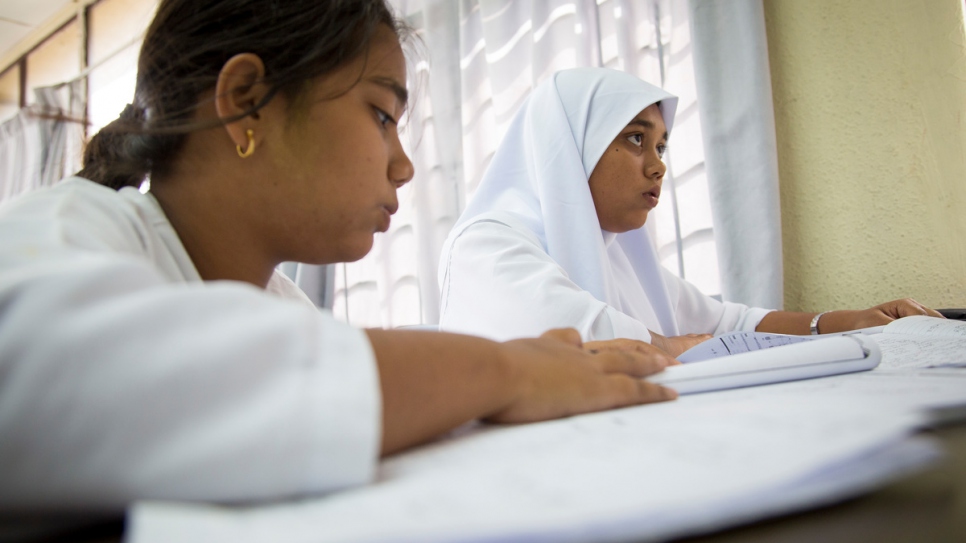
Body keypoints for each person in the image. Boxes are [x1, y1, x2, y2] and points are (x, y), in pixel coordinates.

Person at [0, 1, 680, 513]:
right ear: (246, 104)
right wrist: (501, 368)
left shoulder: (278, 302)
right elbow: (86, 382)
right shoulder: (64, 229)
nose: (405, 165)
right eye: (382, 115)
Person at [437, 67, 942, 356]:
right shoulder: (487, 243)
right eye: (636, 139)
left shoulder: (620, 258)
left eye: (662, 147)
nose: (657, 167)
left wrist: (844, 321)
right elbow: (577, 335)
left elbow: (727, 320)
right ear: (570, 146)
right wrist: (671, 345)